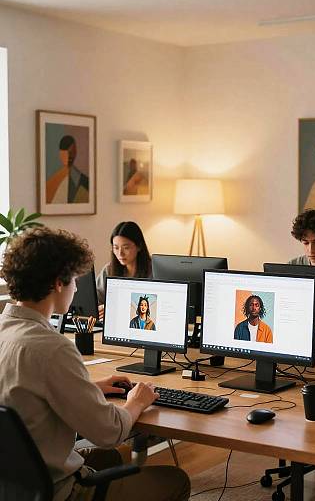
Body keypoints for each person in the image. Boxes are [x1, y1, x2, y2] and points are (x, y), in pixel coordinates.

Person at [0, 227, 190, 501]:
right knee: (175, 480)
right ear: (57, 283)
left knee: (113, 458)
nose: (77, 288)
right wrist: (136, 400)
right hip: (60, 490)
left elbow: (24, 390)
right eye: (75, 280)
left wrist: (89, 388)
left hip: (14, 482)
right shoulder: (53, 348)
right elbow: (109, 431)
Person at [96, 221, 152, 318]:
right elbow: (95, 299)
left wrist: (112, 308)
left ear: (139, 246)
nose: (120, 253)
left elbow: (151, 306)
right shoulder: (108, 270)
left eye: (126, 248)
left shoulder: (153, 271)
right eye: (116, 248)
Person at [46, 135, 89, 204]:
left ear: (75, 152)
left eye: (71, 152)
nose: (69, 156)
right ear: (60, 154)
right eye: (66, 153)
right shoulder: (51, 183)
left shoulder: (85, 181)